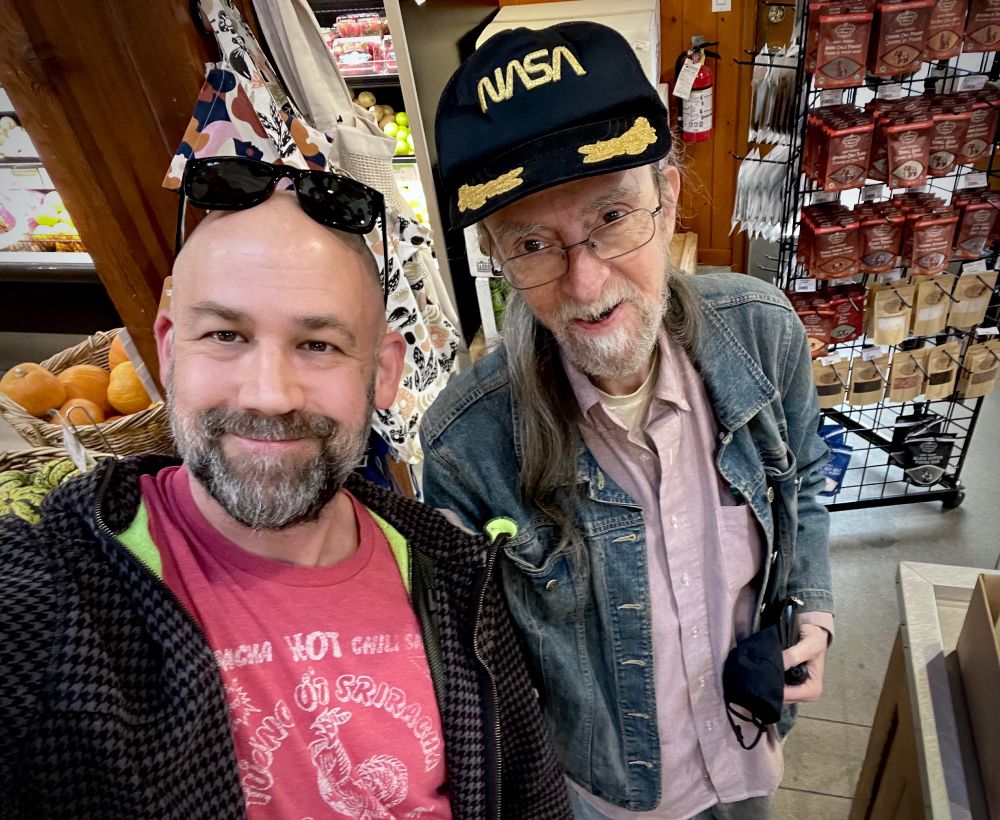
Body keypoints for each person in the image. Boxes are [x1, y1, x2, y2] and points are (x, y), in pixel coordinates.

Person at [0, 172, 571, 819]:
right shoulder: (50, 601)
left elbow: (531, 795)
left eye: (317, 345)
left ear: (383, 371)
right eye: (226, 336)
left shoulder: (450, 573)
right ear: (168, 350)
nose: (268, 394)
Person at [423, 22, 833, 820]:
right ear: (496, 256)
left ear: (668, 194)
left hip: (752, 748)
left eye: (612, 216)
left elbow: (805, 477)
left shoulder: (763, 332)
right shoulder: (465, 447)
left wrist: (810, 604)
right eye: (533, 243)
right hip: (605, 801)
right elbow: (475, 672)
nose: (585, 283)